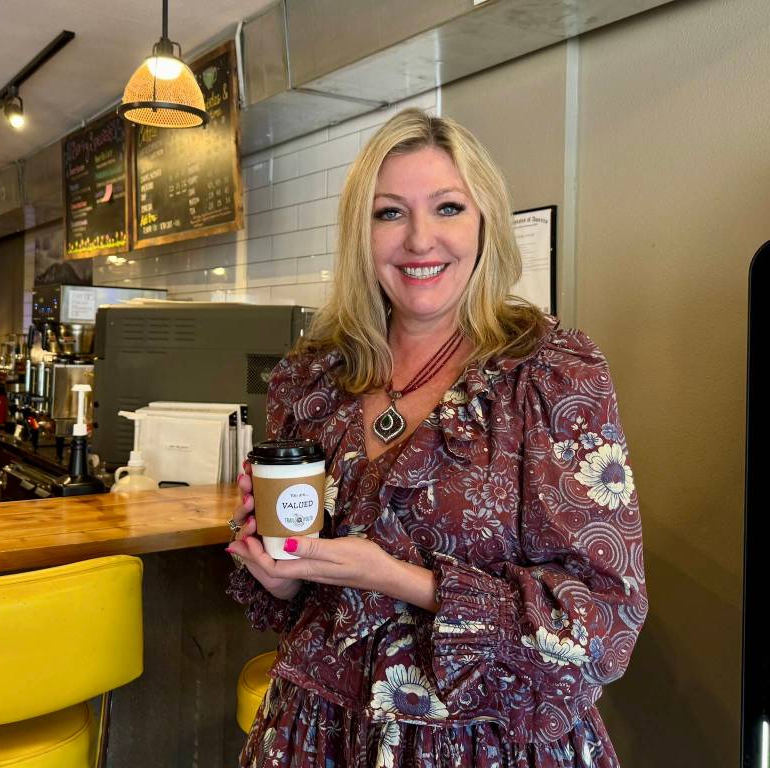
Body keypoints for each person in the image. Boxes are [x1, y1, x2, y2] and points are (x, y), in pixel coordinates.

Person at [226, 109, 647, 768]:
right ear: (359, 234)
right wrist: (276, 573)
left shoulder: (549, 369)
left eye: (447, 207)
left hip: (487, 741)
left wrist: (402, 580)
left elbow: (601, 621)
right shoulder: (317, 375)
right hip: (317, 733)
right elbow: (301, 601)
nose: (420, 240)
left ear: (485, 222)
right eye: (389, 213)